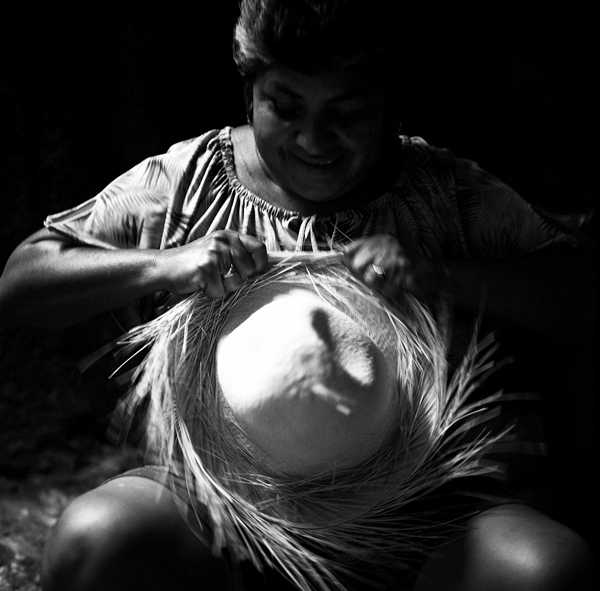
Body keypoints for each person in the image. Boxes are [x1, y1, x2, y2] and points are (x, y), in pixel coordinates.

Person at [0, 1, 594, 589]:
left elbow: (581, 297)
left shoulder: (443, 193)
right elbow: (22, 280)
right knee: (96, 539)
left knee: (545, 570)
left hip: (422, 512)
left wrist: (439, 273)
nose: (315, 139)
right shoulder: (189, 180)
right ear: (249, 93)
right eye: (284, 108)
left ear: (387, 103)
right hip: (226, 508)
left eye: (348, 113)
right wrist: (164, 264)